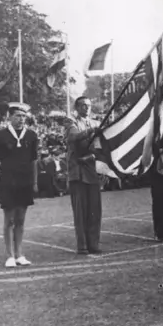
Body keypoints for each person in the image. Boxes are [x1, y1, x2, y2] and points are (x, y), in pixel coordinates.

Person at [0, 102, 39, 267]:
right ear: (9, 117)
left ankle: (19, 254)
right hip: (8, 182)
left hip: (25, 182)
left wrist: (35, 182)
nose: (21, 119)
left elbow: (34, 161)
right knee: (9, 220)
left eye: (24, 116)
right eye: (18, 116)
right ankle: (10, 255)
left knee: (21, 220)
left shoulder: (31, 135)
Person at [66, 96, 102, 255]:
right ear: (77, 107)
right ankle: (82, 245)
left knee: (94, 210)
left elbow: (100, 147)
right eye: (82, 105)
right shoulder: (71, 122)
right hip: (78, 172)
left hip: (92, 170)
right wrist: (90, 131)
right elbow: (73, 137)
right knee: (81, 211)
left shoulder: (96, 123)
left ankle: (94, 243)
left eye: (88, 105)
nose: (86, 108)